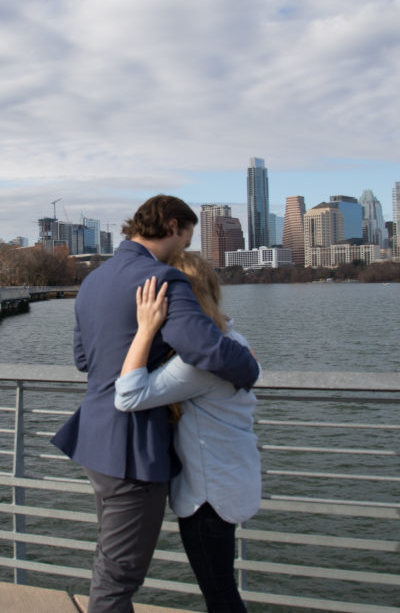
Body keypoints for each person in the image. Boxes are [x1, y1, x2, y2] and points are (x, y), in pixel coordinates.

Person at [52, 195, 259, 612]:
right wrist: (249, 368)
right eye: (186, 235)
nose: (185, 246)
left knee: (111, 560)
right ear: (171, 227)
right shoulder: (163, 278)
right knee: (120, 575)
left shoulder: (94, 279)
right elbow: (207, 349)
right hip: (133, 447)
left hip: (94, 440)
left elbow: (81, 360)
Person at [115, 254, 260, 613]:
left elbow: (128, 395)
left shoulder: (202, 364)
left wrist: (147, 329)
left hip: (209, 498)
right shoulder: (232, 343)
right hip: (229, 482)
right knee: (222, 589)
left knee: (221, 595)